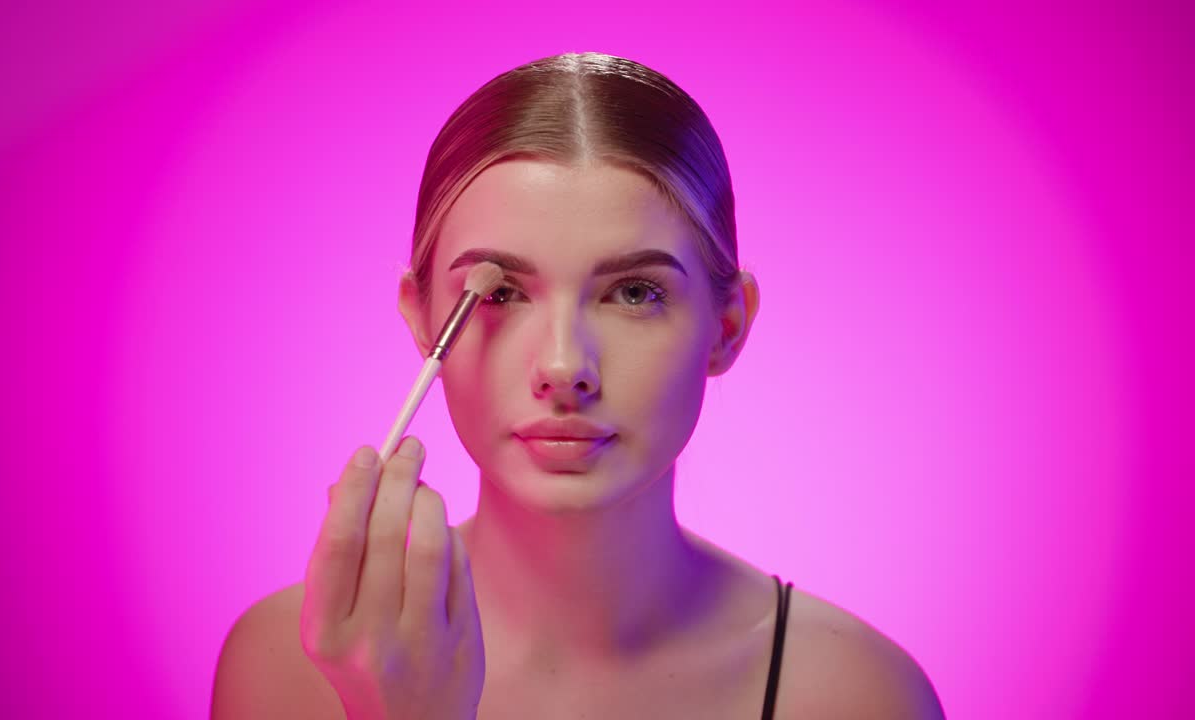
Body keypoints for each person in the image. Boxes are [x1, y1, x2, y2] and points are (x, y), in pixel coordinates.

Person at [211, 51, 945, 719]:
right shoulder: (289, 669)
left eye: (634, 293)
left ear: (727, 326)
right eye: (501, 294)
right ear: (422, 314)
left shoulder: (859, 696)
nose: (564, 367)